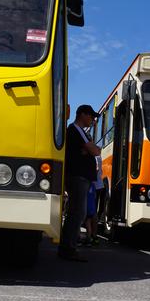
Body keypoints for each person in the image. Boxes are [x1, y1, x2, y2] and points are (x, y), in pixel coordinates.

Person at [58, 104, 101, 261]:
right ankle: (68, 248)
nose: (92, 119)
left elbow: (92, 150)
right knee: (77, 212)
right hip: (78, 177)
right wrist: (89, 150)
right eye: (91, 116)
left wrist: (87, 150)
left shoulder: (80, 132)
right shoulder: (76, 130)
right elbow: (96, 151)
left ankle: (68, 246)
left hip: (80, 177)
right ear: (82, 114)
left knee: (77, 212)